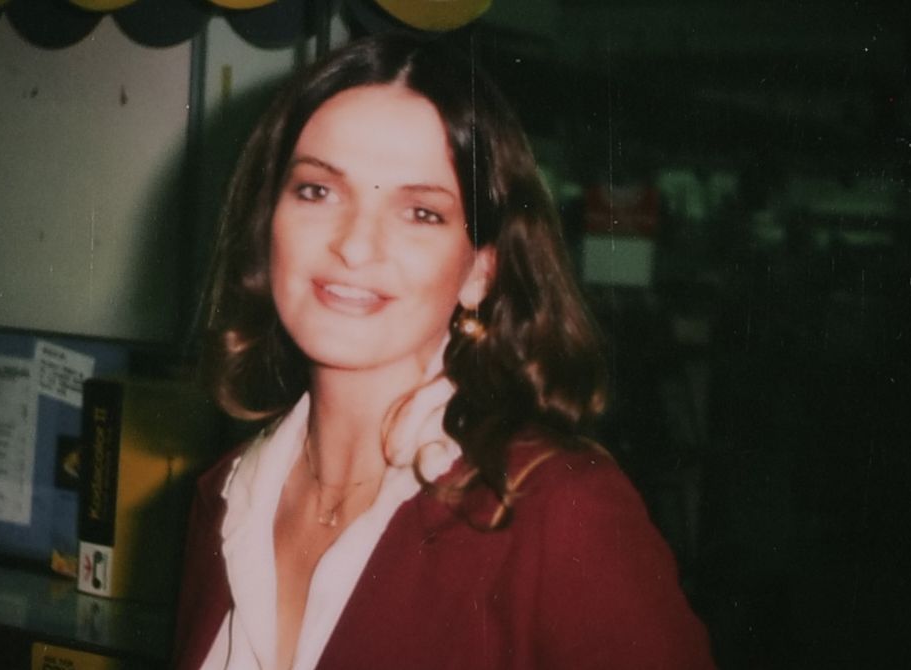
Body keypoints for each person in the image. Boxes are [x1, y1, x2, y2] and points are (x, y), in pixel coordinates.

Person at [174, 34, 715, 670]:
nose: (354, 245)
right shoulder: (225, 496)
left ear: (480, 271)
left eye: (420, 212)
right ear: (267, 222)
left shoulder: (559, 510)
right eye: (318, 191)